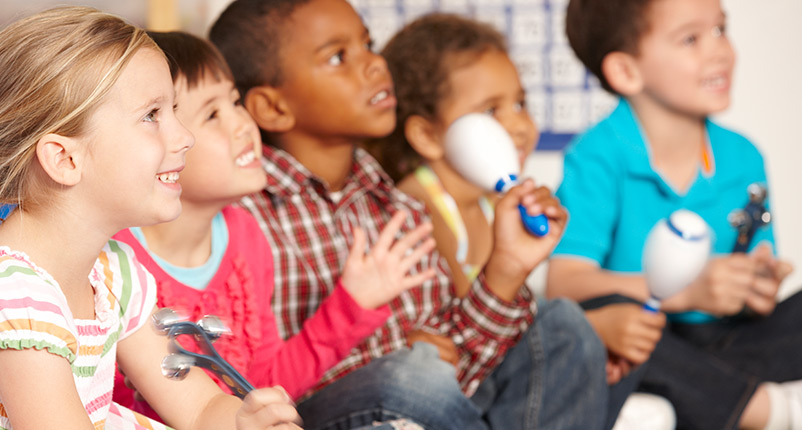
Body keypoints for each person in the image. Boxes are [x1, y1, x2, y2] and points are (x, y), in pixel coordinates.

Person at [210, 1, 609, 428]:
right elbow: (249, 383)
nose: (374, 65)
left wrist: (507, 267)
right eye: (339, 56)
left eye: (368, 44)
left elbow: (457, 369)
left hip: (425, 406)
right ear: (273, 108)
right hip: (318, 415)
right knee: (412, 375)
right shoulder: (242, 215)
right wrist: (403, 359)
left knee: (561, 325)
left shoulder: (398, 208)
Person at [0, 7, 300, 430]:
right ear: (64, 158)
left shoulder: (113, 274)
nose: (184, 137)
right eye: (153, 116)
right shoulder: (6, 294)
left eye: (173, 110)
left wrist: (244, 421)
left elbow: (199, 408)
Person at [112, 30, 436, 425]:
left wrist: (352, 304)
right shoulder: (115, 253)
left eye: (234, 102)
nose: (243, 124)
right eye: (213, 114)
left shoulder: (245, 235)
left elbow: (262, 385)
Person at [364, 12, 657, 429]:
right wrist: (588, 329)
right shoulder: (418, 205)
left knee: (615, 332)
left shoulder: (489, 205)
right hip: (453, 389)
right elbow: (481, 326)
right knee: (571, 325)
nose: (518, 125)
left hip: (492, 379)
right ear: (428, 136)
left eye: (520, 103)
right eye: (491, 110)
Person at [547, 0, 802, 428]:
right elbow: (563, 284)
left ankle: (717, 398)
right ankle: (767, 411)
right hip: (648, 343)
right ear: (627, 71)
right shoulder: (596, 157)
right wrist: (686, 293)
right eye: (691, 39)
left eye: (721, 30)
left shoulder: (743, 156)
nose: (721, 51)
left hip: (724, 345)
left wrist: (757, 286)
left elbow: (757, 274)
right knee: (593, 325)